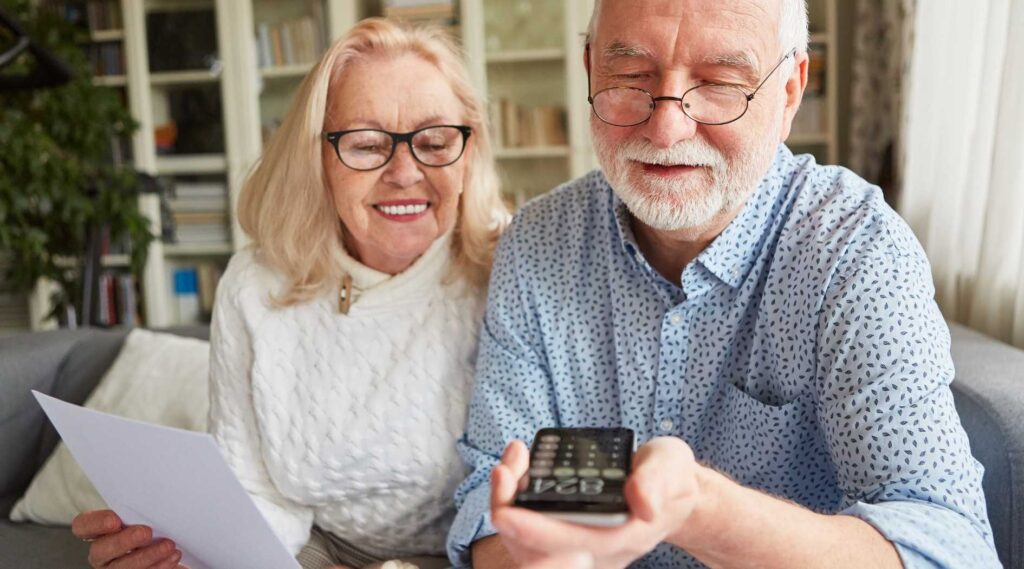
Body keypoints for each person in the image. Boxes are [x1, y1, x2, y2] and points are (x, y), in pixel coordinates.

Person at [448, 0, 1001, 567]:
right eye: (632, 77)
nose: (666, 128)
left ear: (789, 91)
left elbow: (949, 546)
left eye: (720, 84)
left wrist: (702, 511)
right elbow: (489, 504)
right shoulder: (536, 243)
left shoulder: (855, 250)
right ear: (591, 71)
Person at [69, 18, 508, 569]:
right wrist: (188, 556)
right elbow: (253, 491)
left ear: (468, 152)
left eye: (435, 141)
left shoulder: (512, 267)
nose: (404, 172)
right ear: (317, 158)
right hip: (314, 552)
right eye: (367, 144)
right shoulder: (255, 284)